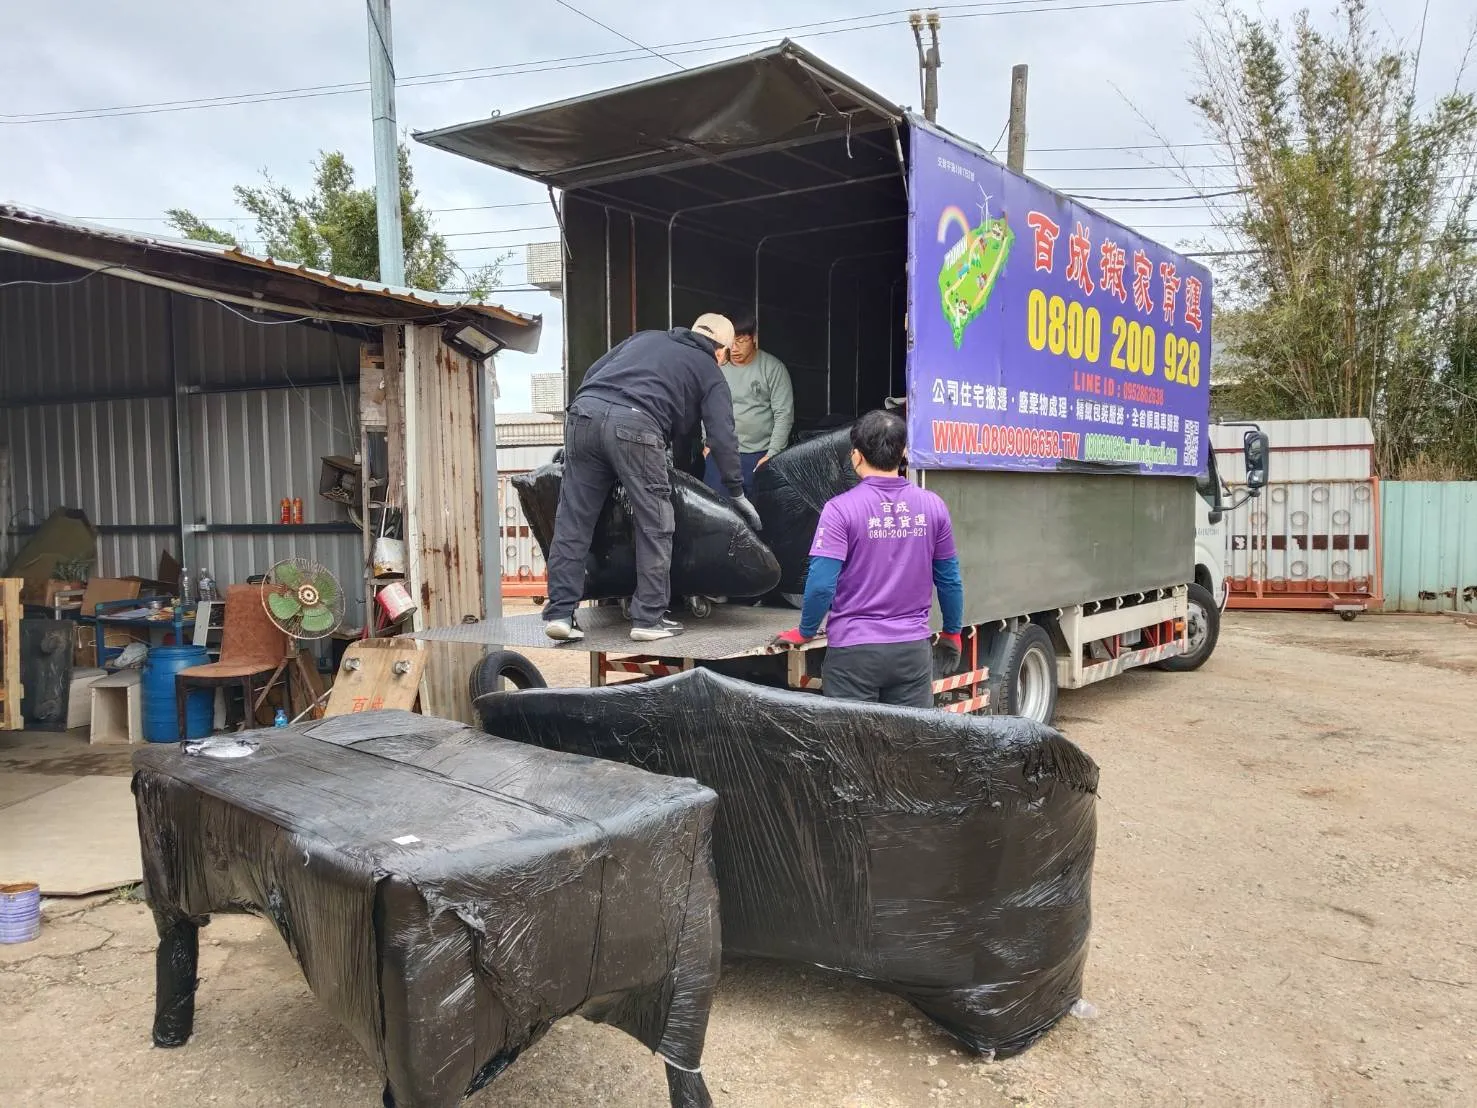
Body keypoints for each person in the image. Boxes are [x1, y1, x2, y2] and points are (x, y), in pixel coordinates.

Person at [542, 315, 762, 644]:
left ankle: (560, 612)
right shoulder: (709, 370)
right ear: (721, 351)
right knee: (655, 521)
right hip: (635, 425)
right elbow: (721, 437)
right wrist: (735, 490)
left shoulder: (645, 337)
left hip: (584, 413)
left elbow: (592, 374)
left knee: (573, 519)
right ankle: (649, 617)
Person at [772, 409, 964, 708]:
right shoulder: (933, 506)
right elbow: (950, 580)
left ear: (855, 456)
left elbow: (821, 584)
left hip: (854, 655)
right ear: (903, 453)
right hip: (911, 652)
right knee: (908, 744)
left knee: (853, 750)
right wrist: (952, 631)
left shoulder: (839, 510)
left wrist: (806, 631)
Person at [703, 311, 795, 498]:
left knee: (755, 516)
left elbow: (783, 414)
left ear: (754, 338)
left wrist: (772, 454)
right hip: (721, 452)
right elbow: (708, 406)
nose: (734, 348)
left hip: (758, 456)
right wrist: (707, 443)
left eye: (741, 341)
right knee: (716, 512)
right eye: (730, 341)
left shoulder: (773, 368)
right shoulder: (718, 367)